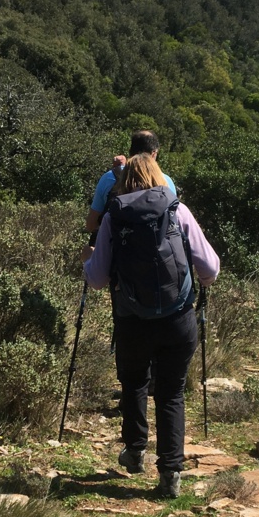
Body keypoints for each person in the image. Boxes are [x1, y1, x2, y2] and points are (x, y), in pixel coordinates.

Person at [82, 153, 219, 498]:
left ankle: (135, 451)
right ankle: (170, 473)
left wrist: (87, 261)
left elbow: (97, 279)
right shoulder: (178, 210)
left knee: (133, 382)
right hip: (178, 318)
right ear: (159, 177)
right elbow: (210, 269)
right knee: (171, 393)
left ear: (124, 180)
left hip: (132, 319)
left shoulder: (113, 217)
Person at [84, 129, 176, 234]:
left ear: (131, 151)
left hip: (117, 243)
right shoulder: (166, 182)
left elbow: (91, 225)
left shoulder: (109, 178)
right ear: (154, 154)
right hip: (157, 243)